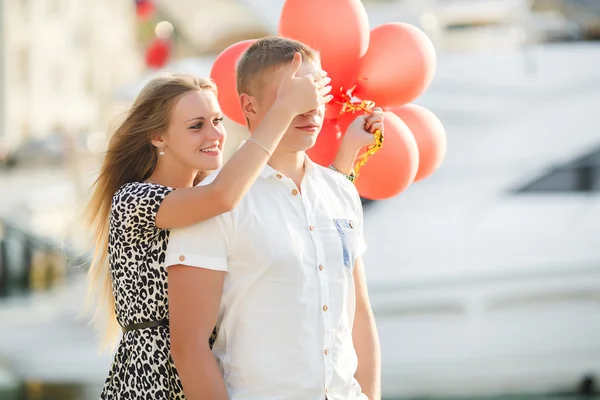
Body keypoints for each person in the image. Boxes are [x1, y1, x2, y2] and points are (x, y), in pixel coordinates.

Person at [84, 58, 337, 399]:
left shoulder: (207, 199)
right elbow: (223, 196)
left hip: (212, 375)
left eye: (218, 121)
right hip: (152, 382)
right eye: (196, 125)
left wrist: (345, 169)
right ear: (158, 136)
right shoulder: (135, 200)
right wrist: (285, 108)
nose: (215, 134)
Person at [165, 37, 382, 400]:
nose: (311, 108)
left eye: (316, 92)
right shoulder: (212, 203)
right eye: (294, 95)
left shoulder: (340, 192)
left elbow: (360, 315)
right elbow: (188, 347)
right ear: (248, 105)